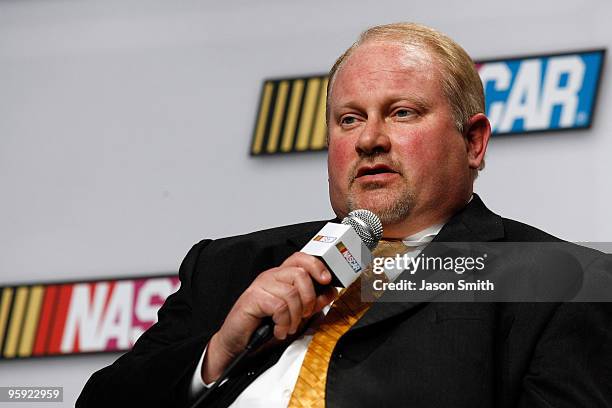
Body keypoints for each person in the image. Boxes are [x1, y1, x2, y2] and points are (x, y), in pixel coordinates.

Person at [77, 22, 612, 408]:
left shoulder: (560, 283)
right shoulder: (228, 267)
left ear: (473, 141)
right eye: (349, 119)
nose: (370, 140)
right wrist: (216, 354)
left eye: (402, 113)